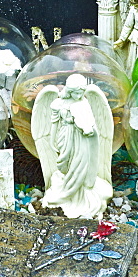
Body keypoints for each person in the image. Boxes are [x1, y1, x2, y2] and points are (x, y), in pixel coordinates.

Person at [42, 74, 110, 218]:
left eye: (82, 92)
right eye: (76, 92)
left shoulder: (84, 103)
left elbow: (91, 123)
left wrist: (90, 131)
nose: (80, 95)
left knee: (81, 164)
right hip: (65, 136)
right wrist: (51, 141)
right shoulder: (58, 104)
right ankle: (67, 191)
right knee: (64, 164)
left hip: (82, 139)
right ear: (69, 90)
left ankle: (80, 195)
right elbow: (53, 124)